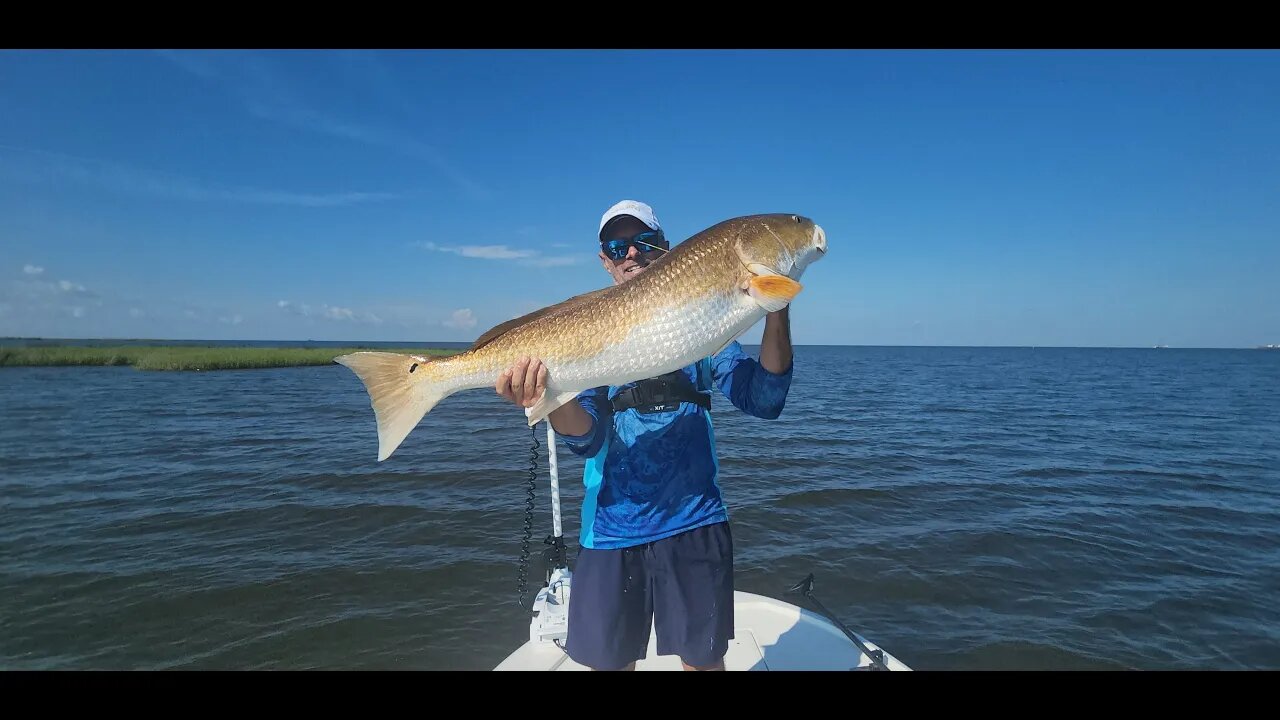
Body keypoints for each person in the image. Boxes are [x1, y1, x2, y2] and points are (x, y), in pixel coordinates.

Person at [495, 200, 795, 671]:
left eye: (644, 241)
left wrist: (776, 307)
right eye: (617, 246)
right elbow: (588, 438)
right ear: (605, 260)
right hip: (611, 529)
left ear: (667, 249)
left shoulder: (704, 323)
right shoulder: (586, 331)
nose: (631, 253)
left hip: (695, 520)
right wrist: (546, 398)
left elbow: (764, 399)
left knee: (703, 663)